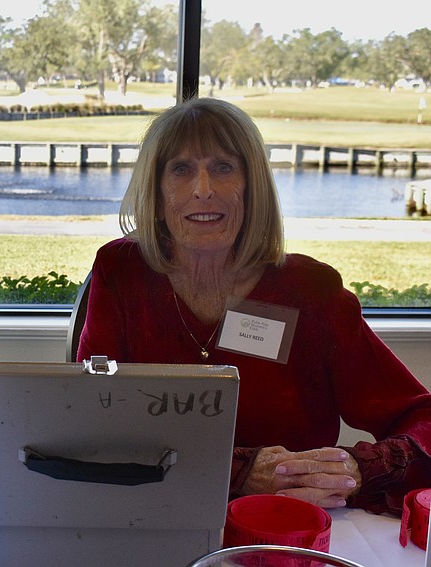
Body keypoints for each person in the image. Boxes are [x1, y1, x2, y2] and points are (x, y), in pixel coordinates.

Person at [76, 96, 431, 516]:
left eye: (224, 167)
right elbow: (90, 420)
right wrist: (238, 470)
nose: (203, 189)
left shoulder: (309, 290)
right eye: (181, 169)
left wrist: (354, 468)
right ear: (156, 190)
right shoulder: (122, 272)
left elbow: (420, 419)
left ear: (252, 185)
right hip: (154, 515)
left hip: (289, 525)